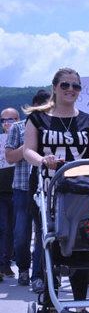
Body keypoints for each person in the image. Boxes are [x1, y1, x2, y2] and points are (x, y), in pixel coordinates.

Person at [23, 67, 89, 299]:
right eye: (65, 85)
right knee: (50, 240)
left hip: (80, 190)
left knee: (80, 243)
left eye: (76, 86)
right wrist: (42, 160)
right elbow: (28, 150)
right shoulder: (37, 118)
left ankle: (79, 301)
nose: (71, 89)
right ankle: (51, 298)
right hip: (46, 189)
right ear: (55, 88)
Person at [5, 90, 51, 286]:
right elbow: (9, 158)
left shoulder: (54, 129)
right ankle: (23, 268)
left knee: (44, 233)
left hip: (47, 188)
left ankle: (38, 275)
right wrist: (30, 146)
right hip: (23, 188)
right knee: (21, 235)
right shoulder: (18, 128)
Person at [0, 108, 17, 280]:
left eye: (11, 119)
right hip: (0, 191)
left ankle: (6, 263)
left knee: (12, 230)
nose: (7, 123)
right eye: (4, 120)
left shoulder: (24, 141)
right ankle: (2, 265)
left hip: (17, 190)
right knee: (3, 227)